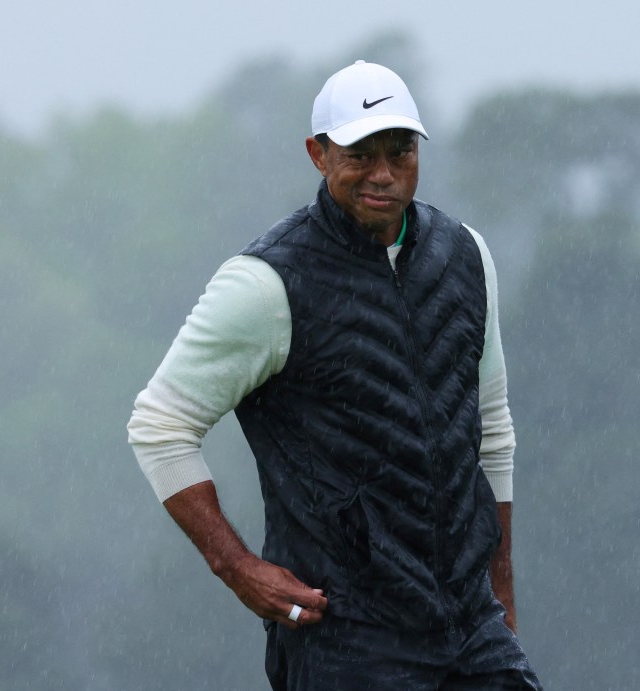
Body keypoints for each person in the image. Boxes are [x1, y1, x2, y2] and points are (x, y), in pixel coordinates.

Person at [128, 60, 542, 690]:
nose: (383, 174)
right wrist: (237, 568)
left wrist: (501, 593)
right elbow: (160, 426)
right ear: (317, 155)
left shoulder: (465, 255)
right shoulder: (264, 284)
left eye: (400, 152)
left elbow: (492, 430)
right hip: (346, 640)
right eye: (359, 154)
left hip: (470, 629)